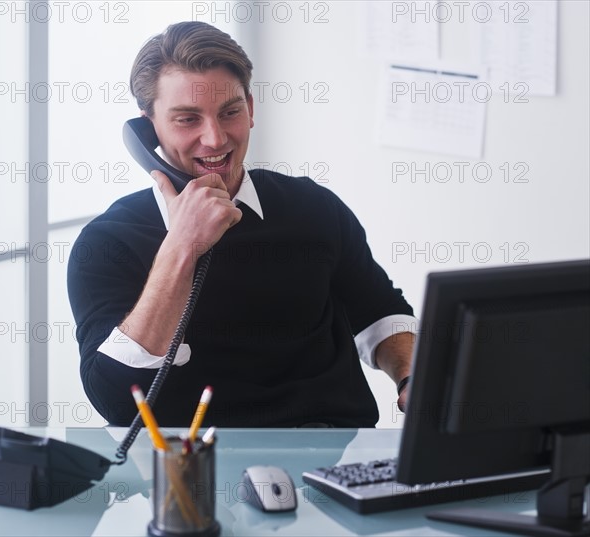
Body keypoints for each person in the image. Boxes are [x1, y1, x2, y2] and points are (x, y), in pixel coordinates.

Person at [67, 21, 417, 428]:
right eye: (187, 119)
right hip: (188, 469)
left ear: (250, 109)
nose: (215, 139)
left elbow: (380, 313)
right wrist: (182, 246)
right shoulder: (107, 243)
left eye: (229, 112)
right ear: (148, 129)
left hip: (327, 459)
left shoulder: (313, 207)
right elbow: (114, 399)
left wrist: (411, 376)